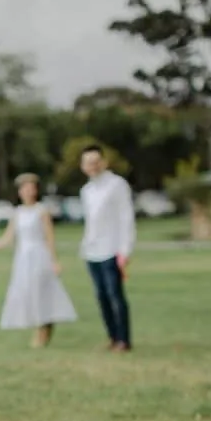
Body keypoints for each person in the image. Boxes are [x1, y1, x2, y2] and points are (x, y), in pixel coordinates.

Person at [0, 173, 78, 347]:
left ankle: (43, 329)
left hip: (39, 255)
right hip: (23, 258)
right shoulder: (17, 213)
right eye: (24, 188)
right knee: (27, 291)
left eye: (31, 188)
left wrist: (54, 261)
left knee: (42, 292)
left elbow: (49, 238)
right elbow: (9, 237)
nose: (28, 191)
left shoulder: (41, 211)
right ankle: (38, 326)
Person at [78, 144, 136, 352]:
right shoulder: (87, 190)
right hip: (92, 250)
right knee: (101, 296)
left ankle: (124, 339)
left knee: (115, 295)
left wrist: (125, 249)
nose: (92, 166)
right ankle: (112, 336)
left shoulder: (117, 185)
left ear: (103, 162)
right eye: (88, 163)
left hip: (112, 249)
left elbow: (126, 218)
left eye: (96, 162)